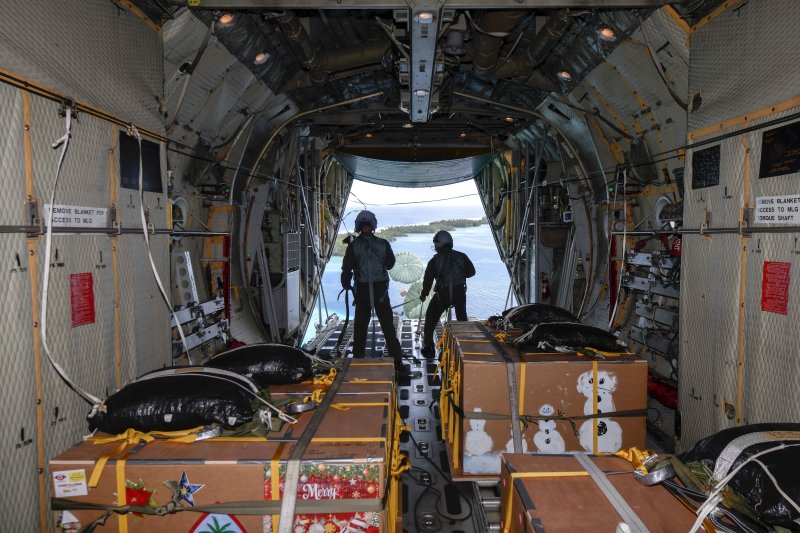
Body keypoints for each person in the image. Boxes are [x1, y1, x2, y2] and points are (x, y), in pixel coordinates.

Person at [341, 210, 405, 371]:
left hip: (362, 291)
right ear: (373, 225)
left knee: (360, 327)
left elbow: (346, 270)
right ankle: (397, 361)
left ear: (358, 226)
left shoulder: (353, 246)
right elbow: (390, 264)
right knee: (388, 327)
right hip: (380, 290)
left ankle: (357, 360)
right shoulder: (383, 244)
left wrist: (347, 284)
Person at [419, 230, 476, 357]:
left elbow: (427, 281)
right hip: (459, 294)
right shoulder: (462, 256)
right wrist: (460, 275)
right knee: (462, 319)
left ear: (440, 244)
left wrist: (424, 294)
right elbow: (471, 272)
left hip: (442, 296)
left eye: (436, 244)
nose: (435, 246)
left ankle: (429, 348)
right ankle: (464, 346)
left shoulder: (434, 261)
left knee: (430, 319)